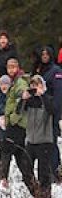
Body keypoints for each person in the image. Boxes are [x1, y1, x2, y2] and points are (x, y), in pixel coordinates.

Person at [2, 57, 38, 195]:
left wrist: (14, 116)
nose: (11, 69)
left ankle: (2, 179)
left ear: (17, 67)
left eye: (13, 67)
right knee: (20, 156)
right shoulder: (13, 82)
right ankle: (36, 191)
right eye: (8, 67)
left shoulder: (20, 81)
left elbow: (22, 92)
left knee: (6, 150)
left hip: (17, 124)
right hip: (18, 125)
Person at [21, 75, 56, 198]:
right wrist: (23, 98)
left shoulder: (47, 99)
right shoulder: (29, 101)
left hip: (44, 141)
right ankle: (36, 193)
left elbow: (53, 110)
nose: (35, 88)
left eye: (38, 85)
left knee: (44, 172)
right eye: (33, 86)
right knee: (25, 169)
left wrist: (42, 95)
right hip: (30, 140)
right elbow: (19, 111)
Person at [35, 46, 62, 179]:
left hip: (52, 110)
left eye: (47, 54)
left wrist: (55, 110)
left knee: (51, 141)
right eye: (42, 54)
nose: (44, 56)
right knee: (43, 143)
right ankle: (46, 171)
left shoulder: (56, 71)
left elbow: (58, 93)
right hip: (40, 111)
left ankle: (55, 170)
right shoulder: (39, 69)